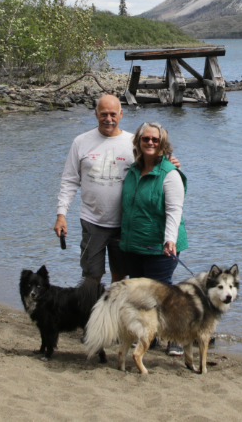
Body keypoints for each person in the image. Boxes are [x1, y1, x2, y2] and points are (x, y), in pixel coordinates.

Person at [53, 95, 179, 287]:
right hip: (92, 221)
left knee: (120, 278)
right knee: (91, 277)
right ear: (96, 114)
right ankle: (90, 313)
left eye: (113, 114)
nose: (108, 118)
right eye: (103, 114)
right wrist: (61, 214)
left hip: (125, 225)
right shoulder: (80, 142)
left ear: (121, 114)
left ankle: (114, 315)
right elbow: (69, 180)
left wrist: (170, 163)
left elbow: (154, 161)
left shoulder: (134, 143)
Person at [118, 120, 188, 356]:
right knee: (142, 296)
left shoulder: (170, 173)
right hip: (134, 243)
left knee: (163, 294)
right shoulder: (133, 170)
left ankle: (177, 338)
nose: (150, 142)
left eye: (155, 139)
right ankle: (152, 336)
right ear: (138, 142)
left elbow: (174, 211)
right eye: (145, 138)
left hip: (160, 246)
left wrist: (169, 240)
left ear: (162, 145)